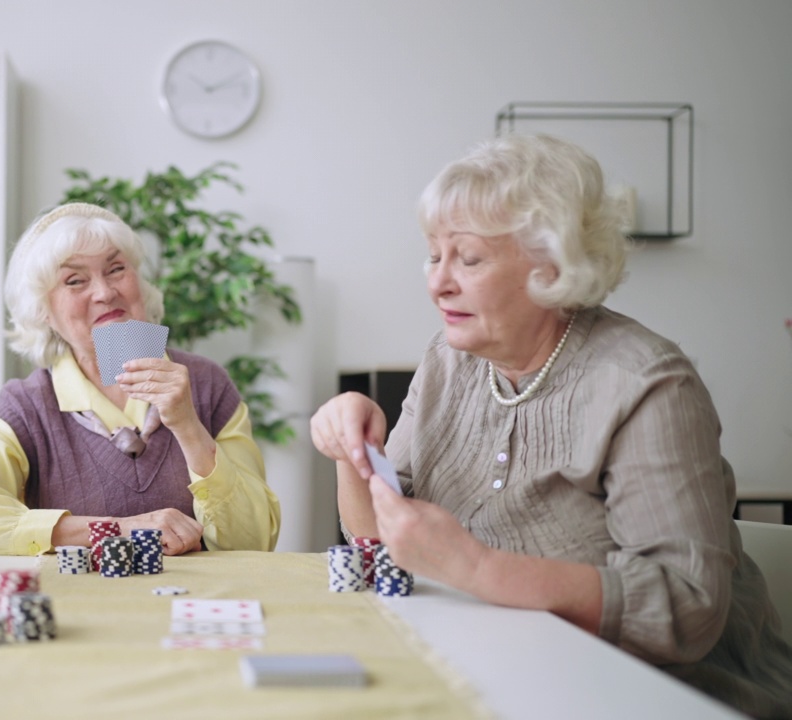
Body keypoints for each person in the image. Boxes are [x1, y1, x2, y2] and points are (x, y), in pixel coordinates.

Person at [311, 134, 792, 717]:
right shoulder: (449, 360)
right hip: (496, 676)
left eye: (469, 258)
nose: (438, 282)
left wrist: (476, 568)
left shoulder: (646, 383)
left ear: (552, 264)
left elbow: (686, 608)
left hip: (659, 696)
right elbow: (384, 546)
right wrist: (351, 451)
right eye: (434, 255)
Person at [0, 202, 280, 556]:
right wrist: (115, 530)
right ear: (44, 313)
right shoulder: (28, 406)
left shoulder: (207, 384)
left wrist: (188, 425)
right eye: (75, 280)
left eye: (116, 269)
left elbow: (255, 542)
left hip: (193, 605)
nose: (104, 292)